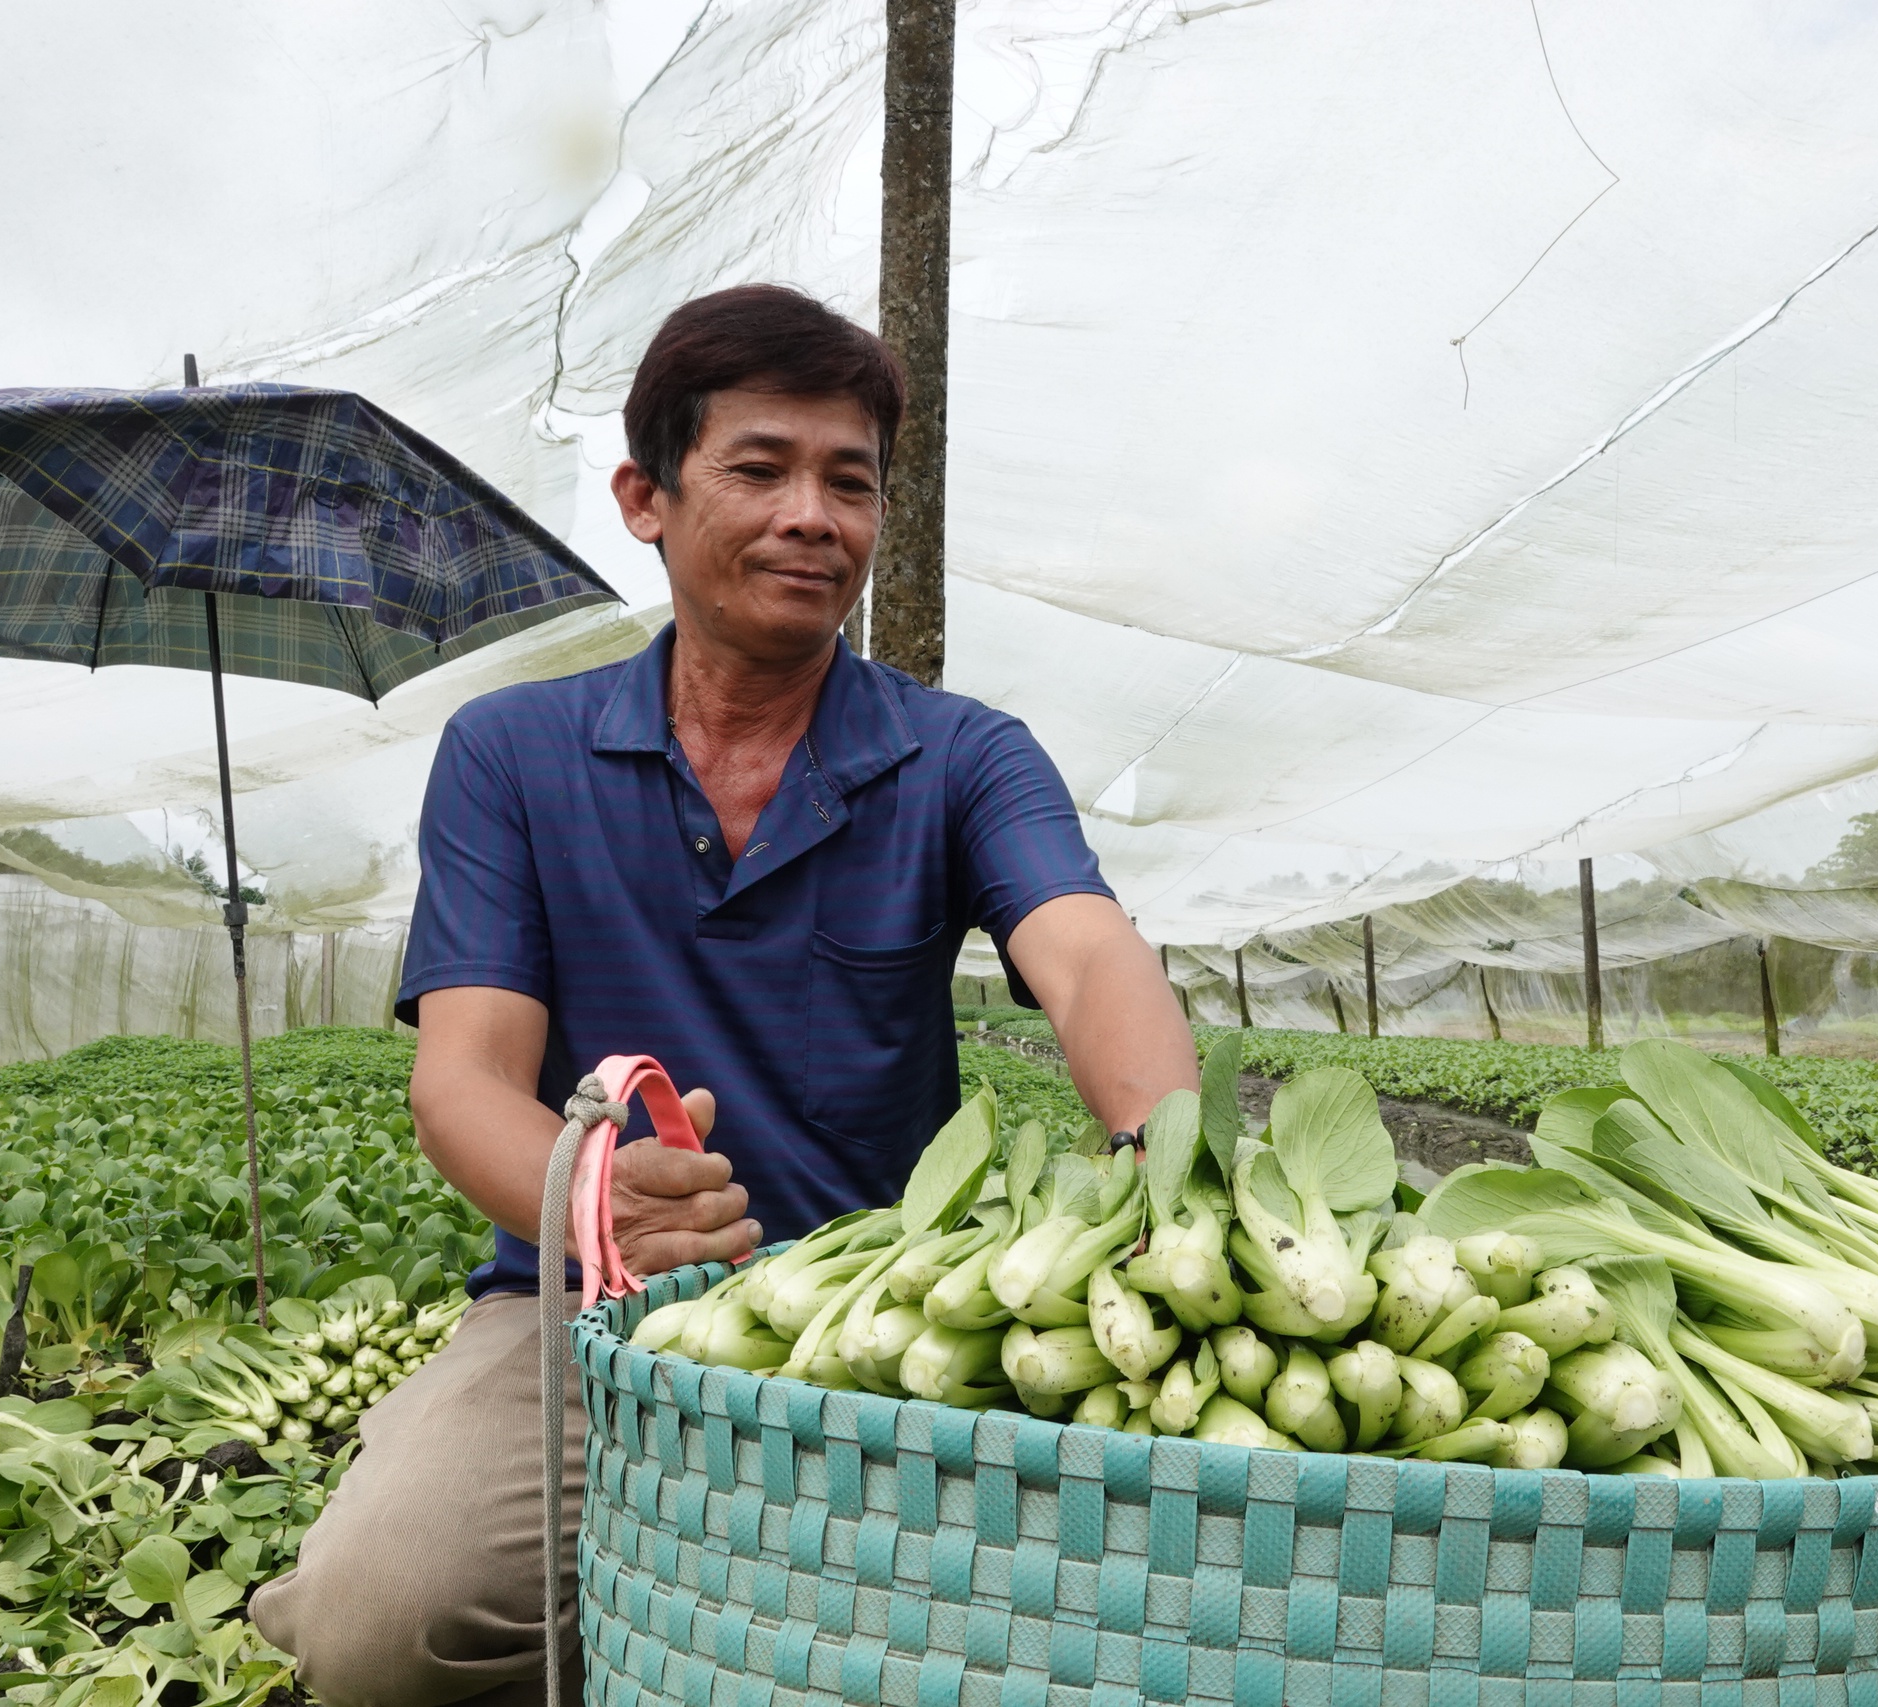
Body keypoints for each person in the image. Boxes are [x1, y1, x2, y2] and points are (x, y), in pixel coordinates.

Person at [251, 286, 1198, 1705]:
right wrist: (594, 1205)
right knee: (382, 1620)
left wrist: (1166, 1177)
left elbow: (1087, 954)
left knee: (1068, 1619)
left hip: (894, 1302)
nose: (813, 515)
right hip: (586, 1310)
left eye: (850, 481)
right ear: (646, 497)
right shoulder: (514, 755)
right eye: (760, 469)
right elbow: (462, 1080)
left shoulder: (959, 758)